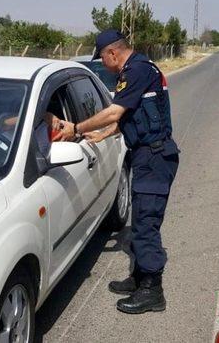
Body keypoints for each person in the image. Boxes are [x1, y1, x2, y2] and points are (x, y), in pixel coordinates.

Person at [57, 29, 179, 314]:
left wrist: (76, 128)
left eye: (102, 56)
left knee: (146, 223)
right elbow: (130, 116)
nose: (103, 62)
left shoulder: (135, 71)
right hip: (149, 155)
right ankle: (139, 278)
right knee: (139, 222)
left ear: (112, 53)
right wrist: (105, 134)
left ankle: (152, 290)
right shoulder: (141, 68)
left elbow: (115, 111)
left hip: (155, 157)